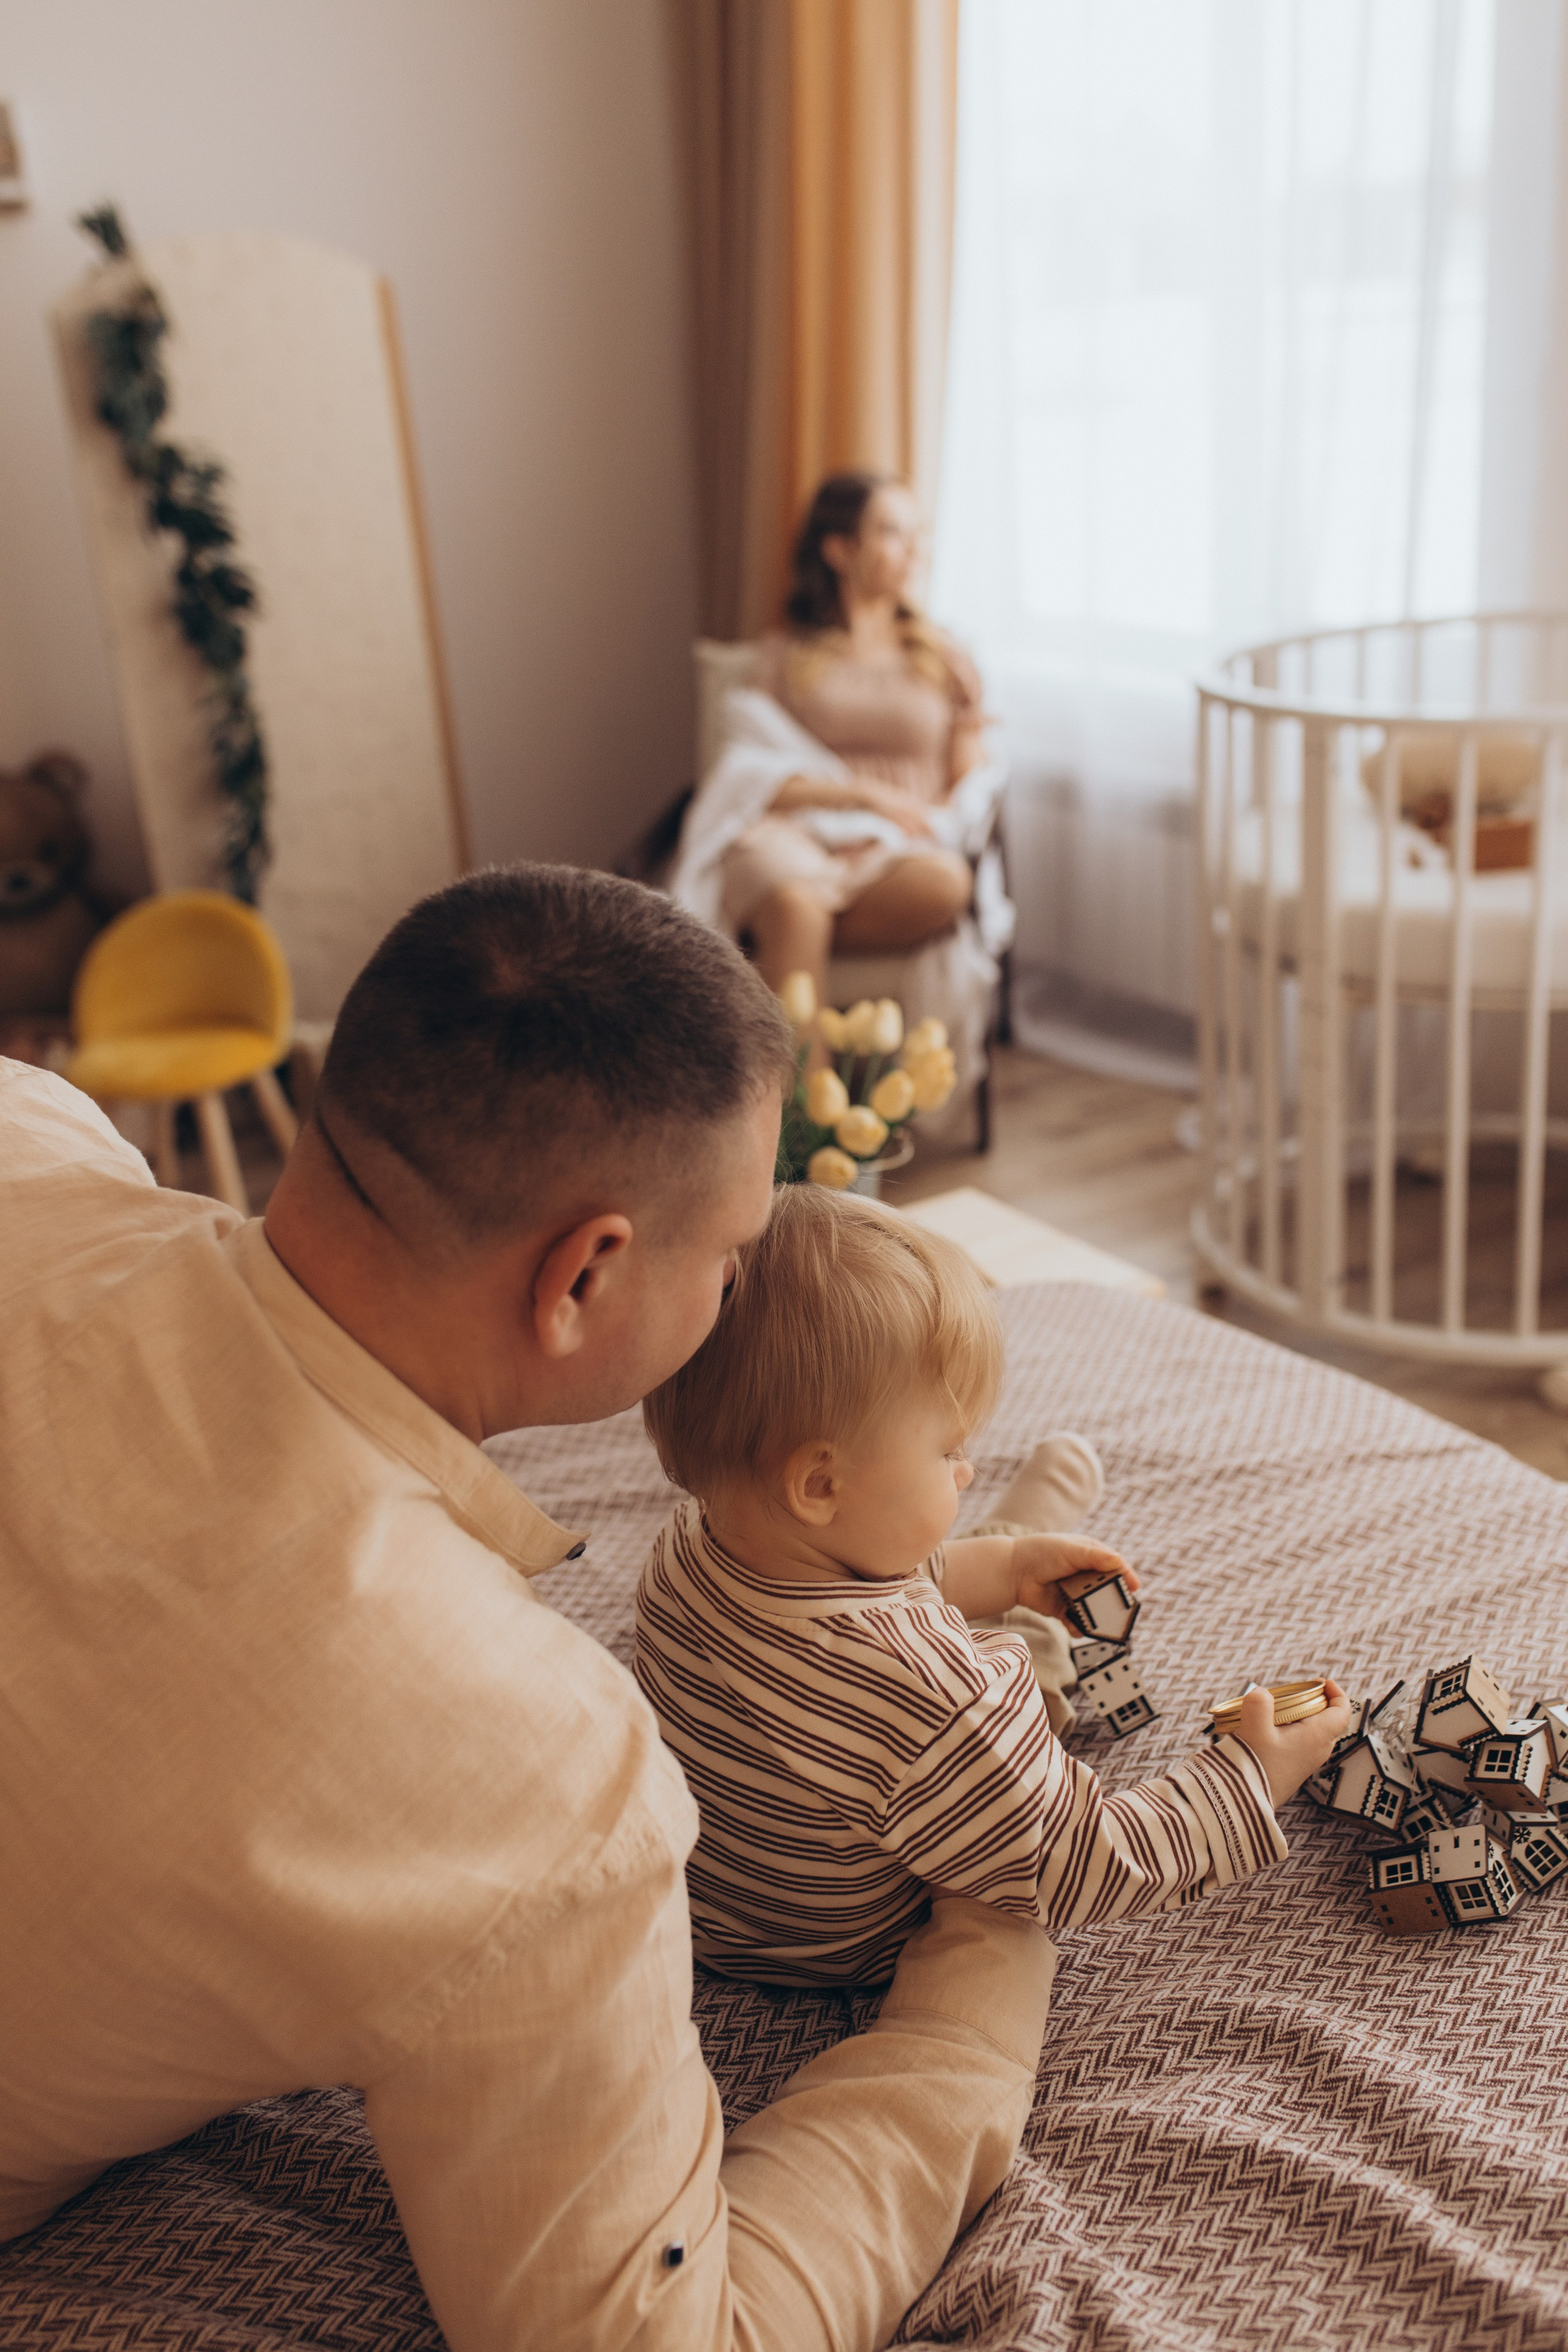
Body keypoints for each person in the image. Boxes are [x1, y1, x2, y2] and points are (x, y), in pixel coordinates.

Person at [0, 864, 1057, 2352]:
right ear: (583, 1274)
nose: (749, 1281)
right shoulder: (534, 1779)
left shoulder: (24, 1127)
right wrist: (975, 1984)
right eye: (739, 1251)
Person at [636, 1183, 1355, 1986]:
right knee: (1025, 1689)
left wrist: (1010, 1571)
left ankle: (1022, 1538)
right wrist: (1252, 1773)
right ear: (820, 1486)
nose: (968, 1465)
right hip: (864, 1945)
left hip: (717, 1912)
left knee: (963, 1568)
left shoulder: (691, 1546)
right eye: (949, 1452)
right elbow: (1087, 1860)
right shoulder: (938, 1691)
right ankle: (1039, 1510)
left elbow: (882, 1586)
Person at [669, 473, 994, 1007]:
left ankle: (784, 936)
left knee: (946, 883)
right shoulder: (780, 660)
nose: (915, 552)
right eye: (893, 533)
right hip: (789, 836)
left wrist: (887, 831)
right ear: (840, 550)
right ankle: (808, 1091)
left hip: (897, 849)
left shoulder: (944, 659)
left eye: (919, 535)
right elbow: (746, 781)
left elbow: (967, 785)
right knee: (795, 900)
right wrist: (863, 796)